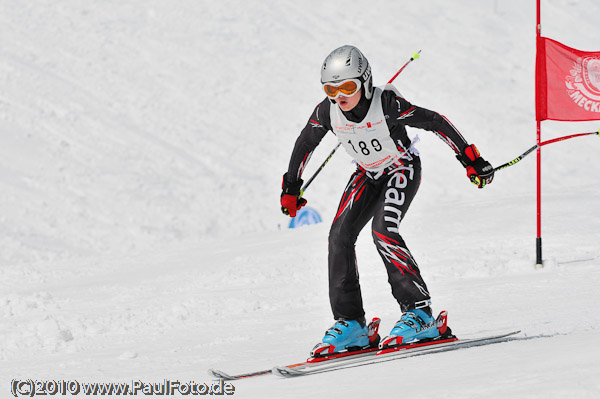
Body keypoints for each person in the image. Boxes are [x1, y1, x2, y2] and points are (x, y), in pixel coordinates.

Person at [280, 45, 494, 354]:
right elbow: (305, 143)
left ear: (365, 82)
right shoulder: (327, 111)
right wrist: (291, 187)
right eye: (330, 88)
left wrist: (471, 160)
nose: (339, 95)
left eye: (348, 87)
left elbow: (435, 121)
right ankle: (351, 324)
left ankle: (420, 314)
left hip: (401, 169)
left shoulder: (388, 105)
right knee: (338, 236)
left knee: (383, 230)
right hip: (367, 174)